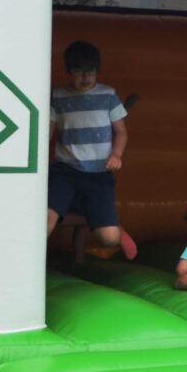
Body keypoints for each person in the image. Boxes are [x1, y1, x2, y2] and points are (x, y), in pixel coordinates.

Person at [46, 40, 137, 260]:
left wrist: (116, 154)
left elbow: (121, 132)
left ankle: (103, 220)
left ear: (97, 71)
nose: (85, 77)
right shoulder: (58, 96)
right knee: (44, 223)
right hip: (65, 171)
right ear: (69, 71)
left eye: (90, 72)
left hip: (98, 174)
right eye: (79, 71)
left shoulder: (108, 95)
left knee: (109, 238)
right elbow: (47, 132)